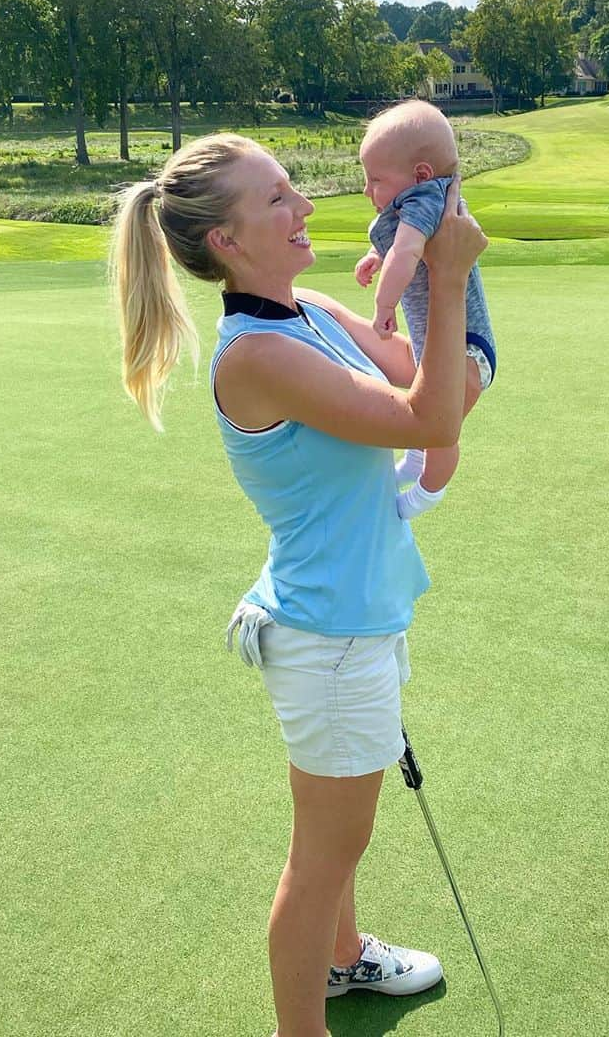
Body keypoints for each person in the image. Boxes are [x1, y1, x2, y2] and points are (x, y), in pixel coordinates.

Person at [110, 132, 487, 1037]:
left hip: (350, 619)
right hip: (330, 640)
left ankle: (343, 958)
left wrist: (450, 272)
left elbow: (419, 376)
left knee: (337, 834)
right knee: (324, 854)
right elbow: (426, 414)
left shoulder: (307, 309)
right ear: (229, 243)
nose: (306, 207)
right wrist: (447, 273)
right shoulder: (254, 356)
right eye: (277, 198)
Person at [354, 100, 497, 521]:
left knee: (440, 427)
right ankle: (415, 462)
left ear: (419, 175)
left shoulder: (426, 199)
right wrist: (376, 255)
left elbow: (408, 249)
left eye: (375, 180)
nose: (367, 191)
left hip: (466, 350)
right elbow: (405, 244)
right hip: (444, 343)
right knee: (425, 406)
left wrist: (384, 304)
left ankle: (427, 492)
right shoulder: (426, 201)